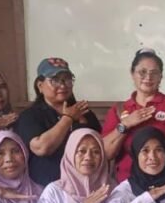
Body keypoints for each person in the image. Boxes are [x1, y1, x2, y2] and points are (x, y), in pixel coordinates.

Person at [101, 50, 165, 183]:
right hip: (126, 183)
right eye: (142, 72)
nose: (148, 77)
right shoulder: (119, 109)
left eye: (154, 73)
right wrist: (125, 124)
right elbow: (106, 153)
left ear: (161, 76)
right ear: (132, 73)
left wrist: (160, 162)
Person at [14, 57, 101, 185]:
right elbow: (41, 148)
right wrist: (67, 119)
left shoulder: (84, 113)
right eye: (55, 80)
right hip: (44, 187)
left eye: (67, 79)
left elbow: (99, 149)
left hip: (84, 185)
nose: (63, 85)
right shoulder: (30, 115)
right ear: (40, 86)